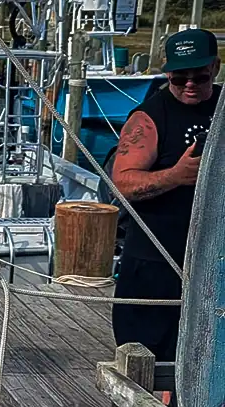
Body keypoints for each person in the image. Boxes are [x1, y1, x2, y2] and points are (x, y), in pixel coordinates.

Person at [110, 28, 221, 363]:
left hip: (212, 265)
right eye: (179, 77)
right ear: (167, 72)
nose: (189, 84)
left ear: (215, 68)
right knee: (145, 363)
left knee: (205, 363)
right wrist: (176, 176)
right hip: (154, 264)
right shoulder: (149, 118)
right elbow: (123, 183)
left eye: (199, 77)